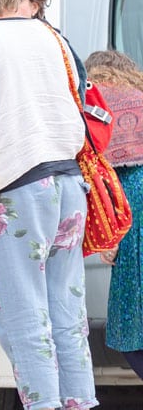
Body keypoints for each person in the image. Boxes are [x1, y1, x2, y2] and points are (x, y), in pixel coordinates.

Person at [0, 0, 95, 410]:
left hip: (18, 189)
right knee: (67, 312)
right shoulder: (51, 37)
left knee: (22, 315)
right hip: (68, 186)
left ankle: (42, 405)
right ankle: (80, 402)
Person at [86, 49, 143, 381]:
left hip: (131, 209)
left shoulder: (96, 101)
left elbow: (99, 172)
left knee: (131, 328)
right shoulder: (138, 95)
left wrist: (109, 235)